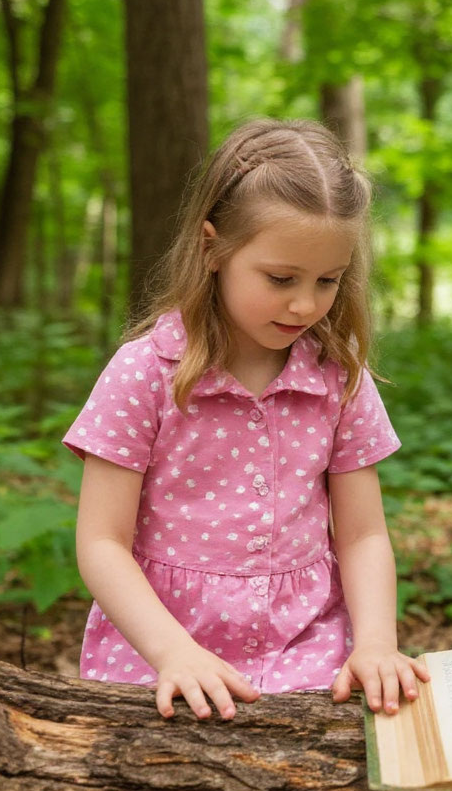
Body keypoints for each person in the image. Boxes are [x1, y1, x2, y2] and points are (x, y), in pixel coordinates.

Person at [66, 119, 427, 721]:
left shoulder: (339, 379)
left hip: (305, 646)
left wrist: (376, 644)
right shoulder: (145, 373)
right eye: (281, 279)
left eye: (328, 281)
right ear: (212, 248)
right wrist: (175, 653)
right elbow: (102, 542)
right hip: (159, 647)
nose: (305, 304)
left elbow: (363, 535)